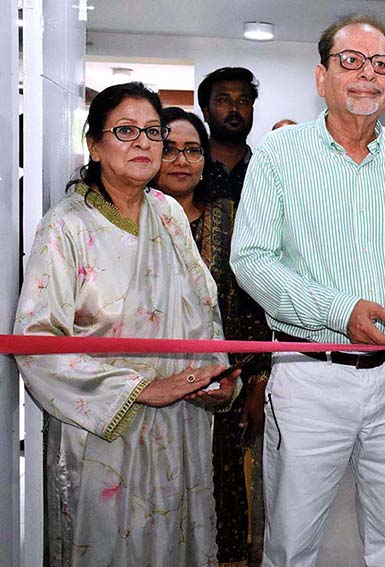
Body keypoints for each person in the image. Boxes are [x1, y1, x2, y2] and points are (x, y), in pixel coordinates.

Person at [230, 14, 385, 567]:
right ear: (321, 76)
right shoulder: (279, 157)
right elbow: (250, 260)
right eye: (350, 61)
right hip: (308, 379)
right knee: (292, 539)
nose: (366, 76)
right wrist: (338, 310)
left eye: (380, 65)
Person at [14, 82, 240, 567]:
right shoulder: (66, 227)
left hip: (180, 425)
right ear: (94, 145)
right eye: (125, 131)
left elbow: (203, 311)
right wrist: (141, 389)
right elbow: (34, 344)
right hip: (104, 435)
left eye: (152, 132)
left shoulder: (170, 215)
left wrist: (216, 375)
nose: (143, 143)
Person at [155, 106, 272, 567]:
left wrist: (254, 384)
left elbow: (251, 305)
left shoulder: (229, 216)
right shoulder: (136, 218)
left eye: (193, 150)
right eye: (169, 150)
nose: (181, 161)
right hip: (152, 383)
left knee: (224, 489)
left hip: (223, 383)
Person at [198, 67, 259, 203]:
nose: (234, 109)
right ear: (206, 112)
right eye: (223, 100)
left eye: (243, 101)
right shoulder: (192, 169)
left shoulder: (264, 169)